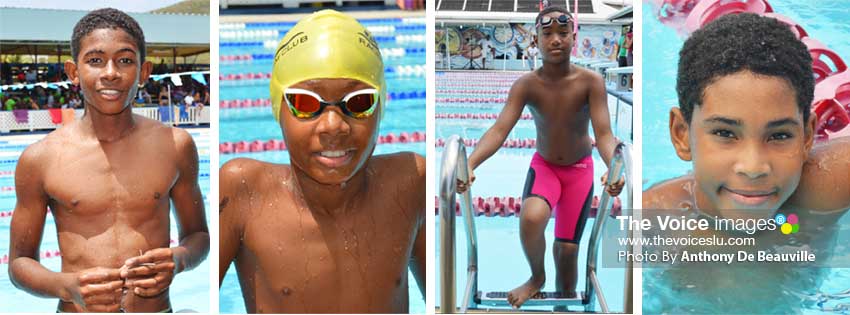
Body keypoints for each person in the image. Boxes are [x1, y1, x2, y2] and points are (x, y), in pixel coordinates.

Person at [219, 10, 425, 313]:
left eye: (359, 102)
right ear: (279, 108)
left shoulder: (409, 183)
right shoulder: (244, 192)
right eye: (305, 103)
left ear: (381, 107)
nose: (333, 125)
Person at [643, 13, 850, 312]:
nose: (753, 167)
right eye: (725, 133)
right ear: (681, 134)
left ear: (808, 137)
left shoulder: (826, 188)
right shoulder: (654, 223)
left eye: (779, 136)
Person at [8, 8, 209, 312]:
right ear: (73, 72)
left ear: (144, 72)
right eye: (95, 60)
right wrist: (66, 286)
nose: (111, 72)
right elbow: (19, 262)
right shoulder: (40, 159)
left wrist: (178, 259)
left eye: (125, 60)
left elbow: (198, 236)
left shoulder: (175, 146)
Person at [457, 6, 625, 309]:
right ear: (535, 40)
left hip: (580, 172)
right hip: (545, 167)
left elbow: (603, 134)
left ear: (574, 38)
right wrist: (469, 162)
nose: (556, 40)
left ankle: (563, 304)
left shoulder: (590, 82)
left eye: (563, 33)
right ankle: (536, 277)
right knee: (531, 218)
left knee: (567, 255)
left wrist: (614, 166)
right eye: (547, 34)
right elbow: (498, 130)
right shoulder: (527, 85)